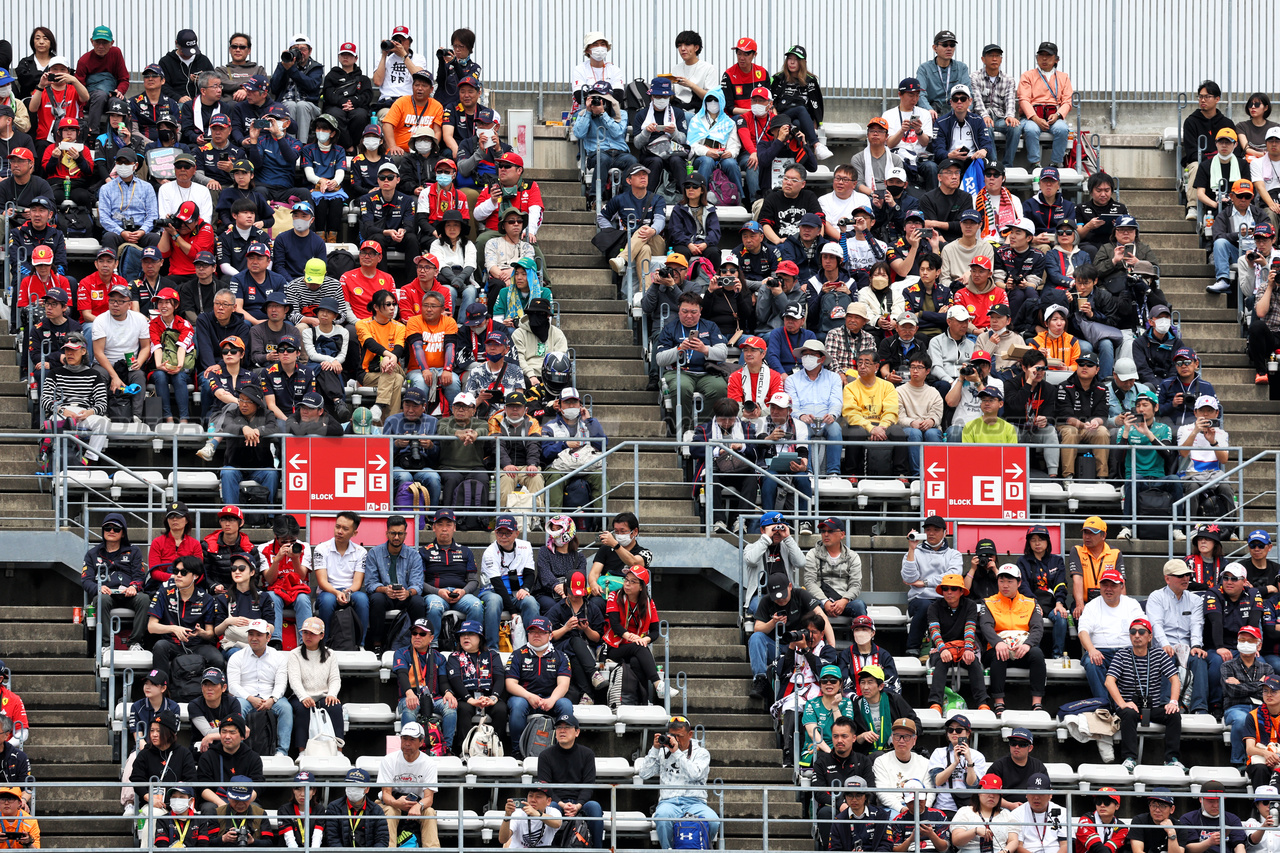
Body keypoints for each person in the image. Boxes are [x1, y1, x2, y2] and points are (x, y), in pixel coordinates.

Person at [1104, 615, 1185, 774]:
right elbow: (1109, 681)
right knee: (1128, 713)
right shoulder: (1122, 655)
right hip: (1129, 707)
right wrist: (1122, 703)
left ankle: (1171, 760)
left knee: (1174, 714)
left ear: (1150, 637)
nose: (1137, 635)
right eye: (1133, 632)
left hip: (1152, 707)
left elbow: (1175, 680)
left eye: (1141, 632)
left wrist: (1173, 701)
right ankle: (1130, 759)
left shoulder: (1159, 655)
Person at [637, 715, 719, 849]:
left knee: (713, 821)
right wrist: (655, 749)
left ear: (690, 734)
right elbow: (644, 774)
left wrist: (676, 752)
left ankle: (702, 848)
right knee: (662, 818)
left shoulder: (702, 753)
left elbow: (695, 774)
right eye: (672, 735)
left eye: (679, 736)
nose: (675, 739)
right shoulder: (663, 751)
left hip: (695, 802)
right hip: (669, 801)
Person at [748, 573, 833, 701]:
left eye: (783, 596)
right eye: (777, 598)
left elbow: (822, 616)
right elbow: (757, 628)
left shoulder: (800, 595)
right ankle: (760, 679)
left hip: (800, 646)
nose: (781, 600)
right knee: (756, 638)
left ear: (790, 586)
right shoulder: (766, 601)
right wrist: (773, 622)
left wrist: (831, 646)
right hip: (775, 646)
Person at [980, 563, 1046, 714]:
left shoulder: (1031, 603)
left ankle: (1037, 703)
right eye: (1001, 581)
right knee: (999, 654)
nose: (1005, 585)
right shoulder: (988, 602)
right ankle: (998, 703)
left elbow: (1037, 628)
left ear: (1019, 583)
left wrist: (1028, 645)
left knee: (1037, 654)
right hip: (996, 649)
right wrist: (998, 643)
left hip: (1022, 649)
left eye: (1010, 581)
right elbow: (986, 626)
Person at [505, 616, 573, 757]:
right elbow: (510, 684)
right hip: (524, 697)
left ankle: (563, 751)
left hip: (550, 698)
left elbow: (564, 684)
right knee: (517, 705)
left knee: (566, 705)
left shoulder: (561, 656)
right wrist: (529, 696)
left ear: (550, 635)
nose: (536, 635)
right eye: (532, 631)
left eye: (541, 632)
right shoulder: (517, 655)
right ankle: (518, 751)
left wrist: (552, 699)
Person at [1077, 568, 1146, 700]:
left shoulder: (1131, 604)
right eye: (1105, 585)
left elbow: (1143, 626)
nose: (1108, 589)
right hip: (1101, 652)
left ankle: (1132, 704)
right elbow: (1082, 631)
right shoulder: (1092, 606)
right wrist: (1091, 650)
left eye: (1113, 585)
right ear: (1100, 586)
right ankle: (1104, 705)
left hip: (1127, 650)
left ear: (1121, 586)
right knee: (1090, 661)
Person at [147, 555, 223, 675]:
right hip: (171, 644)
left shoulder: (206, 599)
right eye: (176, 571)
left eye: (183, 572)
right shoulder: (164, 593)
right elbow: (151, 627)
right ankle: (162, 689)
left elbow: (210, 633)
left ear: (195, 576)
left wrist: (202, 633)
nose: (178, 575)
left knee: (218, 660)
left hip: (197, 645)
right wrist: (173, 628)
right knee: (160, 646)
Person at [901, 515, 964, 659]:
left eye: (936, 530)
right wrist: (911, 548)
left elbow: (953, 576)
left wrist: (925, 582)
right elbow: (909, 578)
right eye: (928, 530)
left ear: (945, 532)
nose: (931, 533)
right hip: (919, 599)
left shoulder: (954, 554)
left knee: (955, 606)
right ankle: (913, 647)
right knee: (926, 606)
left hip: (945, 597)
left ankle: (946, 646)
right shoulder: (914, 552)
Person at [926, 573, 990, 714]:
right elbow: (934, 631)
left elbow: (970, 629)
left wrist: (968, 649)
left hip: (964, 646)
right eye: (946, 588)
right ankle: (935, 704)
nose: (949, 592)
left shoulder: (970, 605)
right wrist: (942, 649)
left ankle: (982, 703)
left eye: (954, 588)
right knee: (941, 663)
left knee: (974, 662)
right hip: (942, 647)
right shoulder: (933, 607)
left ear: (962, 591)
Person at [538, 713, 604, 847]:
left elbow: (588, 785)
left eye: (567, 727)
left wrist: (578, 805)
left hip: (581, 803)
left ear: (577, 732)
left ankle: (598, 850)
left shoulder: (587, 754)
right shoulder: (545, 756)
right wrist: (562, 804)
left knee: (594, 807)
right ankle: (546, 848)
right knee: (549, 807)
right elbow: (545, 787)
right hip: (557, 802)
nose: (562, 730)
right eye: (559, 727)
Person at [841, 348, 909, 478]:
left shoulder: (887, 386)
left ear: (876, 366)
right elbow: (851, 413)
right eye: (859, 363)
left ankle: (901, 474)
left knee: (898, 432)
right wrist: (871, 428)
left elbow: (891, 410)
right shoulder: (850, 387)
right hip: (860, 425)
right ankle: (852, 473)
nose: (862, 366)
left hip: (882, 425)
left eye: (867, 363)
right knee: (856, 432)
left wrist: (882, 427)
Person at [226, 620, 291, 756]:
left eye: (259, 635)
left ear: (268, 637)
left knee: (286, 708)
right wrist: (250, 698)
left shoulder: (278, 657)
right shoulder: (237, 657)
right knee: (237, 706)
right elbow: (233, 686)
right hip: (245, 697)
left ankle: (282, 752)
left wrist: (272, 699)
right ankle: (239, 751)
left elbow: (280, 684)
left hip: (270, 695)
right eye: (251, 634)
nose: (254, 638)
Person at [363, 515, 426, 654]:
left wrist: (408, 592)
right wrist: (385, 589)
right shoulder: (374, 553)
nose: (396, 537)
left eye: (400, 533)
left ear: (405, 534)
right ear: (387, 533)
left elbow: (418, 584)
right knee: (376, 599)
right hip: (385, 595)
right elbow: (370, 584)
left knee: (418, 601)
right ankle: (377, 645)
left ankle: (418, 644)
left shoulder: (414, 555)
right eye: (393, 533)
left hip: (406, 595)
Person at [418, 509, 484, 635]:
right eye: (440, 525)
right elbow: (419, 581)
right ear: (434, 528)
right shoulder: (424, 551)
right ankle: (432, 646)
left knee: (476, 605)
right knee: (434, 606)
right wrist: (438, 591)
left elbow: (474, 580)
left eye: (448, 525)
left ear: (454, 527)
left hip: (461, 595)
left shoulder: (465, 551)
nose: (444, 529)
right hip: (435, 594)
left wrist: (463, 591)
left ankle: (471, 644)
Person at [478, 514, 540, 646]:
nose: (503, 537)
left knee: (531, 602)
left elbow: (530, 573)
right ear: (495, 533)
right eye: (500, 533)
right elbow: (497, 584)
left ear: (516, 533)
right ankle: (492, 648)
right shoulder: (489, 552)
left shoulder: (526, 546)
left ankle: (534, 646)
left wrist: (525, 589)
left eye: (508, 533)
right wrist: (512, 612)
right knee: (495, 601)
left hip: (517, 591)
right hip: (493, 591)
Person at [377, 723, 441, 848]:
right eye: (404, 739)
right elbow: (386, 794)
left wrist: (419, 805)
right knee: (390, 811)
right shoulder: (388, 760)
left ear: (421, 742)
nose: (407, 743)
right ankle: (389, 851)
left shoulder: (429, 763)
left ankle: (433, 851)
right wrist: (397, 803)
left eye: (412, 739)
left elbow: (429, 798)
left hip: (417, 803)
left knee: (430, 812)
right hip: (392, 802)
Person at [285, 616, 343, 755]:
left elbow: (335, 678)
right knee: (302, 709)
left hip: (323, 694)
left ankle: (339, 749)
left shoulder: (330, 654)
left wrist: (331, 694)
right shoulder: (295, 654)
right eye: (305, 632)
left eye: (312, 633)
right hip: (301, 695)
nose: (308, 636)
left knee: (335, 707)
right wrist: (304, 696)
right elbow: (294, 680)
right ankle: (302, 751)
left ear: (321, 635)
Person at [309, 511, 369, 643]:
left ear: (354, 533)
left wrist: (347, 592)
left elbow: (357, 583)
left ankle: (361, 643)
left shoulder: (361, 552)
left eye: (345, 529)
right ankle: (324, 643)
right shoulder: (321, 549)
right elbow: (322, 581)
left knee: (363, 599)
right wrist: (337, 593)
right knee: (327, 601)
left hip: (350, 591)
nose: (339, 531)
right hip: (328, 591)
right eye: (337, 527)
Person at [445, 619, 508, 736]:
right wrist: (470, 699)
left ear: (480, 638)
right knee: (463, 709)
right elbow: (455, 680)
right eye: (462, 634)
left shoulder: (492, 655)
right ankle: (464, 749)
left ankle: (498, 747)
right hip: (465, 697)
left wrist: (493, 698)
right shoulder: (454, 657)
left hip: (488, 696)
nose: (465, 637)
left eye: (471, 634)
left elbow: (499, 678)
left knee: (501, 709)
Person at [195, 716, 264, 815]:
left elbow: (258, 785)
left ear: (242, 736)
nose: (227, 736)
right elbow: (202, 786)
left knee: (255, 808)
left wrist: (242, 802)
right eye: (224, 732)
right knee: (209, 808)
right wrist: (221, 804)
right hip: (217, 800)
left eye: (232, 732)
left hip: (245, 800)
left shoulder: (253, 757)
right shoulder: (208, 756)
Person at [802, 518, 866, 618]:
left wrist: (844, 600)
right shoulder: (813, 554)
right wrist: (825, 601)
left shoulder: (852, 556)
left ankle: (862, 633)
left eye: (830, 531)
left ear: (842, 534)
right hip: (820, 601)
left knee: (859, 606)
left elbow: (855, 584)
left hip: (843, 602)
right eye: (823, 531)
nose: (826, 534)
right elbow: (810, 582)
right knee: (806, 606)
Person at [322, 768, 389, 848]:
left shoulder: (376, 810)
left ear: (367, 789)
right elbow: (332, 838)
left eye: (357, 786)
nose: (352, 788)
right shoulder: (334, 807)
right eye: (349, 784)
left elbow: (382, 839)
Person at [1004, 774, 1068, 853]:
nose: (1036, 797)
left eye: (1041, 793)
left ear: (1050, 794)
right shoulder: (1017, 814)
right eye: (1032, 793)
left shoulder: (1062, 812)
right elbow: (1018, 846)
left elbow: (1065, 844)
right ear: (1026, 794)